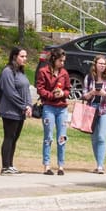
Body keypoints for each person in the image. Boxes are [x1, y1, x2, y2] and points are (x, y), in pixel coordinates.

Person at [0, 46, 32, 175]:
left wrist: (29, 105)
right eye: (22, 56)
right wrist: (23, 105)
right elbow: (10, 92)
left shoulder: (21, 72)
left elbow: (26, 90)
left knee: (15, 138)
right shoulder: (7, 71)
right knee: (9, 137)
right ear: (14, 56)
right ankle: (5, 166)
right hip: (10, 111)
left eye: (25, 56)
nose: (25, 59)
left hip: (20, 112)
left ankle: (10, 164)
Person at [35, 47, 72, 175]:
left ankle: (61, 166)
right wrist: (51, 95)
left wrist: (63, 93)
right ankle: (47, 165)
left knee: (62, 136)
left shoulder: (64, 73)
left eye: (64, 61)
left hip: (62, 108)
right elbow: (40, 89)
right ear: (54, 59)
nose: (62, 63)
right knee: (48, 136)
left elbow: (68, 89)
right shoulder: (43, 71)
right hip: (49, 107)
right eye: (61, 61)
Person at [84, 54, 106, 174]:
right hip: (91, 110)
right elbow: (84, 95)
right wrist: (92, 92)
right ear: (95, 65)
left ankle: (100, 166)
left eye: (104, 64)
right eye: (100, 63)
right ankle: (98, 163)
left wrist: (104, 93)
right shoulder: (89, 78)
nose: (102, 66)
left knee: (101, 137)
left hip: (105, 109)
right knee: (94, 138)